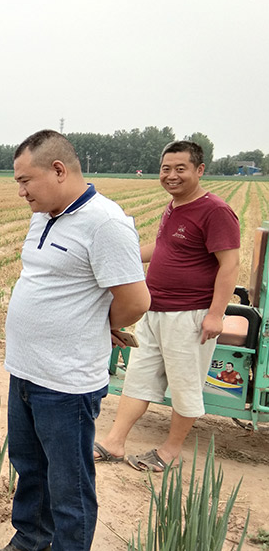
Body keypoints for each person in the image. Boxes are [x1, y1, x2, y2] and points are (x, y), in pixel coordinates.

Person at [0, 130, 150, 551]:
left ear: (59, 170)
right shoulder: (43, 214)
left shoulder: (106, 223)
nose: (21, 191)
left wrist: (97, 323)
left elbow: (136, 301)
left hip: (67, 383)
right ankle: (31, 538)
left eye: (25, 180)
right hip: (26, 372)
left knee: (69, 487)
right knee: (30, 469)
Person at [93, 140, 240, 473]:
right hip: (155, 310)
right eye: (166, 168)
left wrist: (216, 314)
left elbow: (230, 265)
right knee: (139, 379)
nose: (171, 176)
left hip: (189, 315)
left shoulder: (214, 210)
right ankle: (115, 442)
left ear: (200, 170)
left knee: (185, 385)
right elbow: (160, 250)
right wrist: (112, 253)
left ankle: (171, 450)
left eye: (180, 169)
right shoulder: (174, 206)